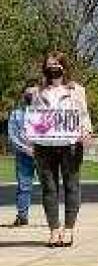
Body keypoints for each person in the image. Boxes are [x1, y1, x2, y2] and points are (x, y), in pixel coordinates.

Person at [31, 53, 93, 247]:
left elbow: (83, 115)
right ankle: (54, 230)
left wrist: (87, 132)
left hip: (70, 145)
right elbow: (34, 117)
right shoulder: (37, 92)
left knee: (71, 186)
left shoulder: (77, 90)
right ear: (44, 68)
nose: (53, 68)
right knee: (49, 188)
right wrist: (31, 139)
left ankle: (68, 229)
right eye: (50, 65)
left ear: (64, 67)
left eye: (57, 64)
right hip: (44, 146)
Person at [7, 81, 39, 227]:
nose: (31, 96)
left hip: (43, 155)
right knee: (23, 186)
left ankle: (53, 218)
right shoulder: (16, 114)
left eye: (34, 93)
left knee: (49, 186)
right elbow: (12, 136)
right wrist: (25, 148)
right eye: (28, 93)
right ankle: (22, 216)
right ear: (24, 95)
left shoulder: (45, 113)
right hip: (23, 155)